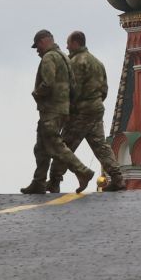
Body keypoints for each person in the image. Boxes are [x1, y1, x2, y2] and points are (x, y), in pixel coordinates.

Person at [49, 31, 125, 193]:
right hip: (96, 109)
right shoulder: (97, 62)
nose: (67, 47)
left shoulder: (76, 62)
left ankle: (54, 180)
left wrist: (66, 109)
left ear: (76, 43)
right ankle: (117, 178)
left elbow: (72, 89)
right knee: (101, 146)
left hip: (80, 112)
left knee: (64, 145)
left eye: (69, 43)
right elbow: (104, 89)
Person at [20, 29, 89, 194]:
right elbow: (73, 85)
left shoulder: (49, 57)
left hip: (51, 109)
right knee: (41, 147)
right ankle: (38, 182)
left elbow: (48, 83)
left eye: (37, 46)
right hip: (62, 108)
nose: (37, 50)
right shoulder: (64, 57)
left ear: (44, 41)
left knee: (55, 145)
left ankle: (82, 171)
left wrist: (36, 93)